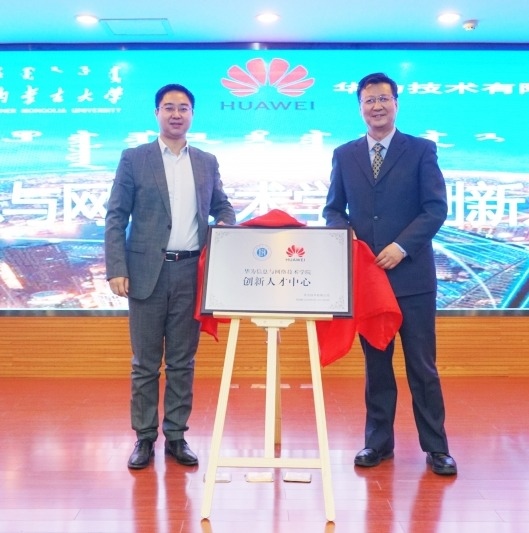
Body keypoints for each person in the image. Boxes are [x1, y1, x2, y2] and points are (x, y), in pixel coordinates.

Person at [323, 72, 457, 475]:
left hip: (413, 279)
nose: (376, 106)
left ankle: (436, 448)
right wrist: (348, 240)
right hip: (369, 282)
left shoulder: (421, 150)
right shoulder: (345, 154)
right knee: (377, 367)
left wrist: (401, 247)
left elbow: (435, 208)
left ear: (396, 103)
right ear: (360, 108)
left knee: (422, 367)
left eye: (383, 99)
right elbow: (333, 209)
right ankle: (377, 443)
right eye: (369, 100)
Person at [105, 83, 236, 469]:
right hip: (146, 272)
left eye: (183, 108)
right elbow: (116, 216)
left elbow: (222, 206)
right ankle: (144, 436)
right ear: (157, 113)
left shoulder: (206, 161)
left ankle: (176, 435)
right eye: (168, 107)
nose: (176, 114)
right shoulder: (135, 158)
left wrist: (226, 226)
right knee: (145, 363)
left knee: (182, 361)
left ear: (192, 114)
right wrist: (116, 268)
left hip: (190, 272)